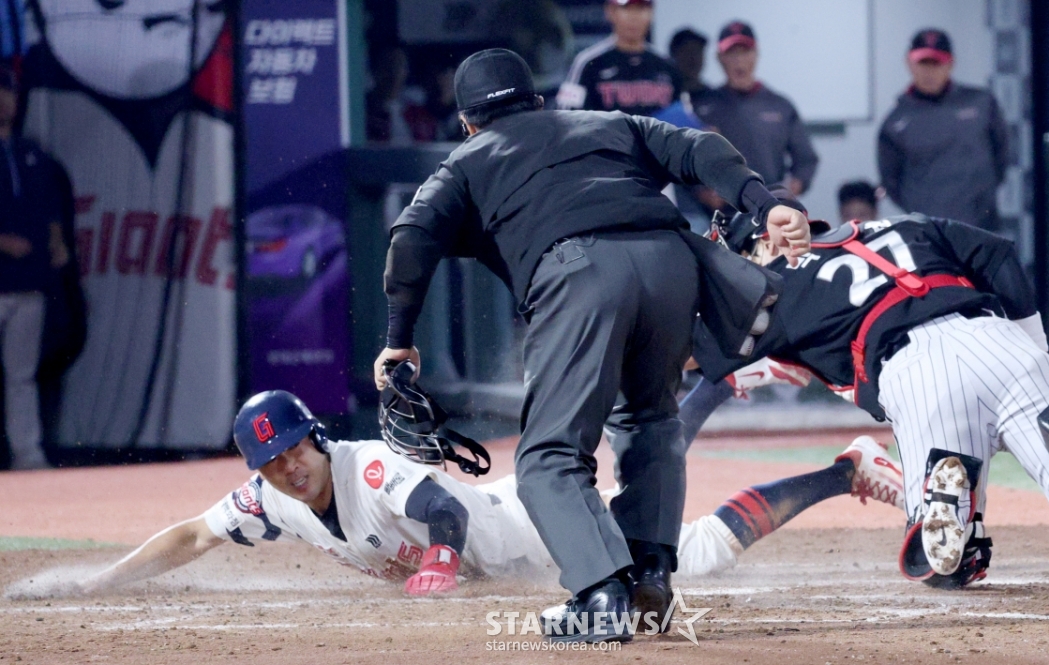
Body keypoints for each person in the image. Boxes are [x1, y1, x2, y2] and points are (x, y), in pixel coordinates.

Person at [373, 48, 809, 642]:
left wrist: (399, 341)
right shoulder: (608, 123)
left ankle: (600, 593)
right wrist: (767, 203)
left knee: (546, 457)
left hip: (581, 274)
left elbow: (409, 238)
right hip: (671, 262)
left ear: (469, 123)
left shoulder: (467, 160)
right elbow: (701, 147)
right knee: (650, 420)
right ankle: (650, 574)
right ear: (539, 102)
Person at [42, 391, 902, 600]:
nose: (287, 468)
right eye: (270, 463)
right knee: (656, 486)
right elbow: (192, 534)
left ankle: (842, 468)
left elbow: (444, 512)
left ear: (315, 437)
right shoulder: (272, 499)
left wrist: (443, 560)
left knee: (696, 549)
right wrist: (102, 581)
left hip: (539, 528)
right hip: (513, 553)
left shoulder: (363, 465)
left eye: (293, 450)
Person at [685, 209, 1049, 589]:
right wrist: (1034, 350)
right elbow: (998, 254)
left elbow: (687, 356)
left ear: (764, 243)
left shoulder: (770, 288)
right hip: (999, 338)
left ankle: (947, 503)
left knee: (943, 566)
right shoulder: (905, 223)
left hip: (916, 374)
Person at [0, 63, 69, 470]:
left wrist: (56, 242)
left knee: (21, 377)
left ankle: (28, 454)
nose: (4, 100)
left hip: (28, 284)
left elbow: (50, 209)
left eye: (9, 92)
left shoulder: (31, 153)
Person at [877, 29, 1009, 231]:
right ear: (909, 63)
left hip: (982, 227)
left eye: (937, 63)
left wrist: (982, 196)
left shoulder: (981, 103)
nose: (929, 72)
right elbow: (891, 181)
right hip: (929, 232)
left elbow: (1002, 154)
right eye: (923, 63)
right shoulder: (896, 122)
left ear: (951, 64)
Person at [692, 21, 819, 200]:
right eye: (731, 53)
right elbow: (685, 160)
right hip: (722, 210)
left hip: (770, 206)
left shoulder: (780, 106)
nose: (739, 60)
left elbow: (806, 159)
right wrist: (702, 192)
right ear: (719, 58)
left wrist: (791, 188)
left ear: (756, 54)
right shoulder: (703, 108)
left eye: (745, 52)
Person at [555, 0, 682, 118]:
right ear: (610, 11)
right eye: (626, 8)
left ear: (651, 13)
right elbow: (566, 115)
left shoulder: (666, 65)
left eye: (640, 9)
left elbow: (682, 119)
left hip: (653, 135)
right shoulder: (588, 62)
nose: (634, 17)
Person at [669, 27, 709, 97]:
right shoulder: (663, 96)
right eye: (687, 52)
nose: (693, 58)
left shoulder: (714, 98)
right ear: (674, 55)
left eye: (697, 52)